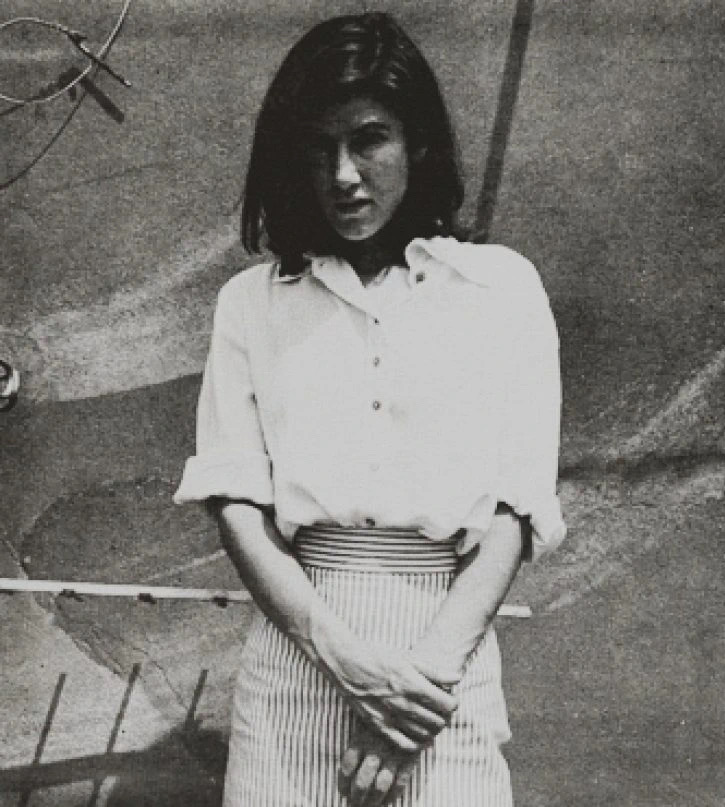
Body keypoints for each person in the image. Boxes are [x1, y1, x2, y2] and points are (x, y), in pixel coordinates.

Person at [174, 12, 566, 807]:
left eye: (369, 140)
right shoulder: (251, 303)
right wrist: (351, 664)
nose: (344, 174)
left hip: (441, 676)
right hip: (297, 673)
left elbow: (515, 509)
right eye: (319, 148)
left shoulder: (500, 289)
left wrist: (415, 688)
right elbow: (238, 507)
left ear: (417, 144)